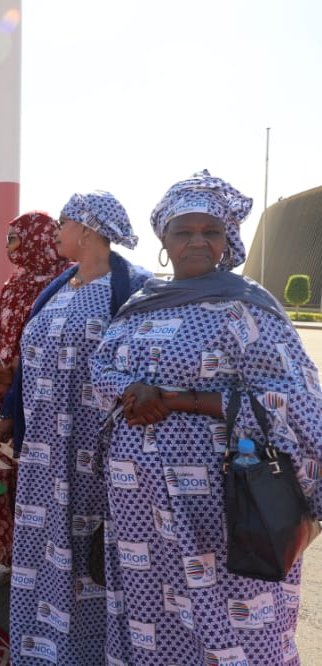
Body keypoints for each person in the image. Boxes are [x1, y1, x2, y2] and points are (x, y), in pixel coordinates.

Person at [91, 171, 322, 665]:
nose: (197, 241)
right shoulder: (139, 305)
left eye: (210, 231)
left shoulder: (248, 307)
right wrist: (132, 390)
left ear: (226, 239)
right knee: (150, 606)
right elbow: (102, 365)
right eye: (184, 231)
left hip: (221, 496)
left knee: (228, 611)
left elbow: (295, 398)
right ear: (164, 240)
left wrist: (175, 400)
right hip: (137, 497)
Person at [0, 193, 150, 664]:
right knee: (42, 549)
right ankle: (39, 647)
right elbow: (30, 361)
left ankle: (88, 653)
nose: (56, 231)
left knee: (90, 558)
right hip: (43, 451)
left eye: (63, 222)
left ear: (87, 229)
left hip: (94, 456)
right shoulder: (59, 286)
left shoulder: (134, 288)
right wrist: (10, 410)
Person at [0, 211, 72, 587]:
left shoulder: (67, 280)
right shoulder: (14, 281)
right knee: (1, 473)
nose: (9, 246)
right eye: (7, 238)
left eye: (15, 238)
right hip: (0, 392)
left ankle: (36, 563)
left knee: (36, 481)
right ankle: (4, 555)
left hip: (41, 400)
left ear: (37, 238)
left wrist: (15, 374)